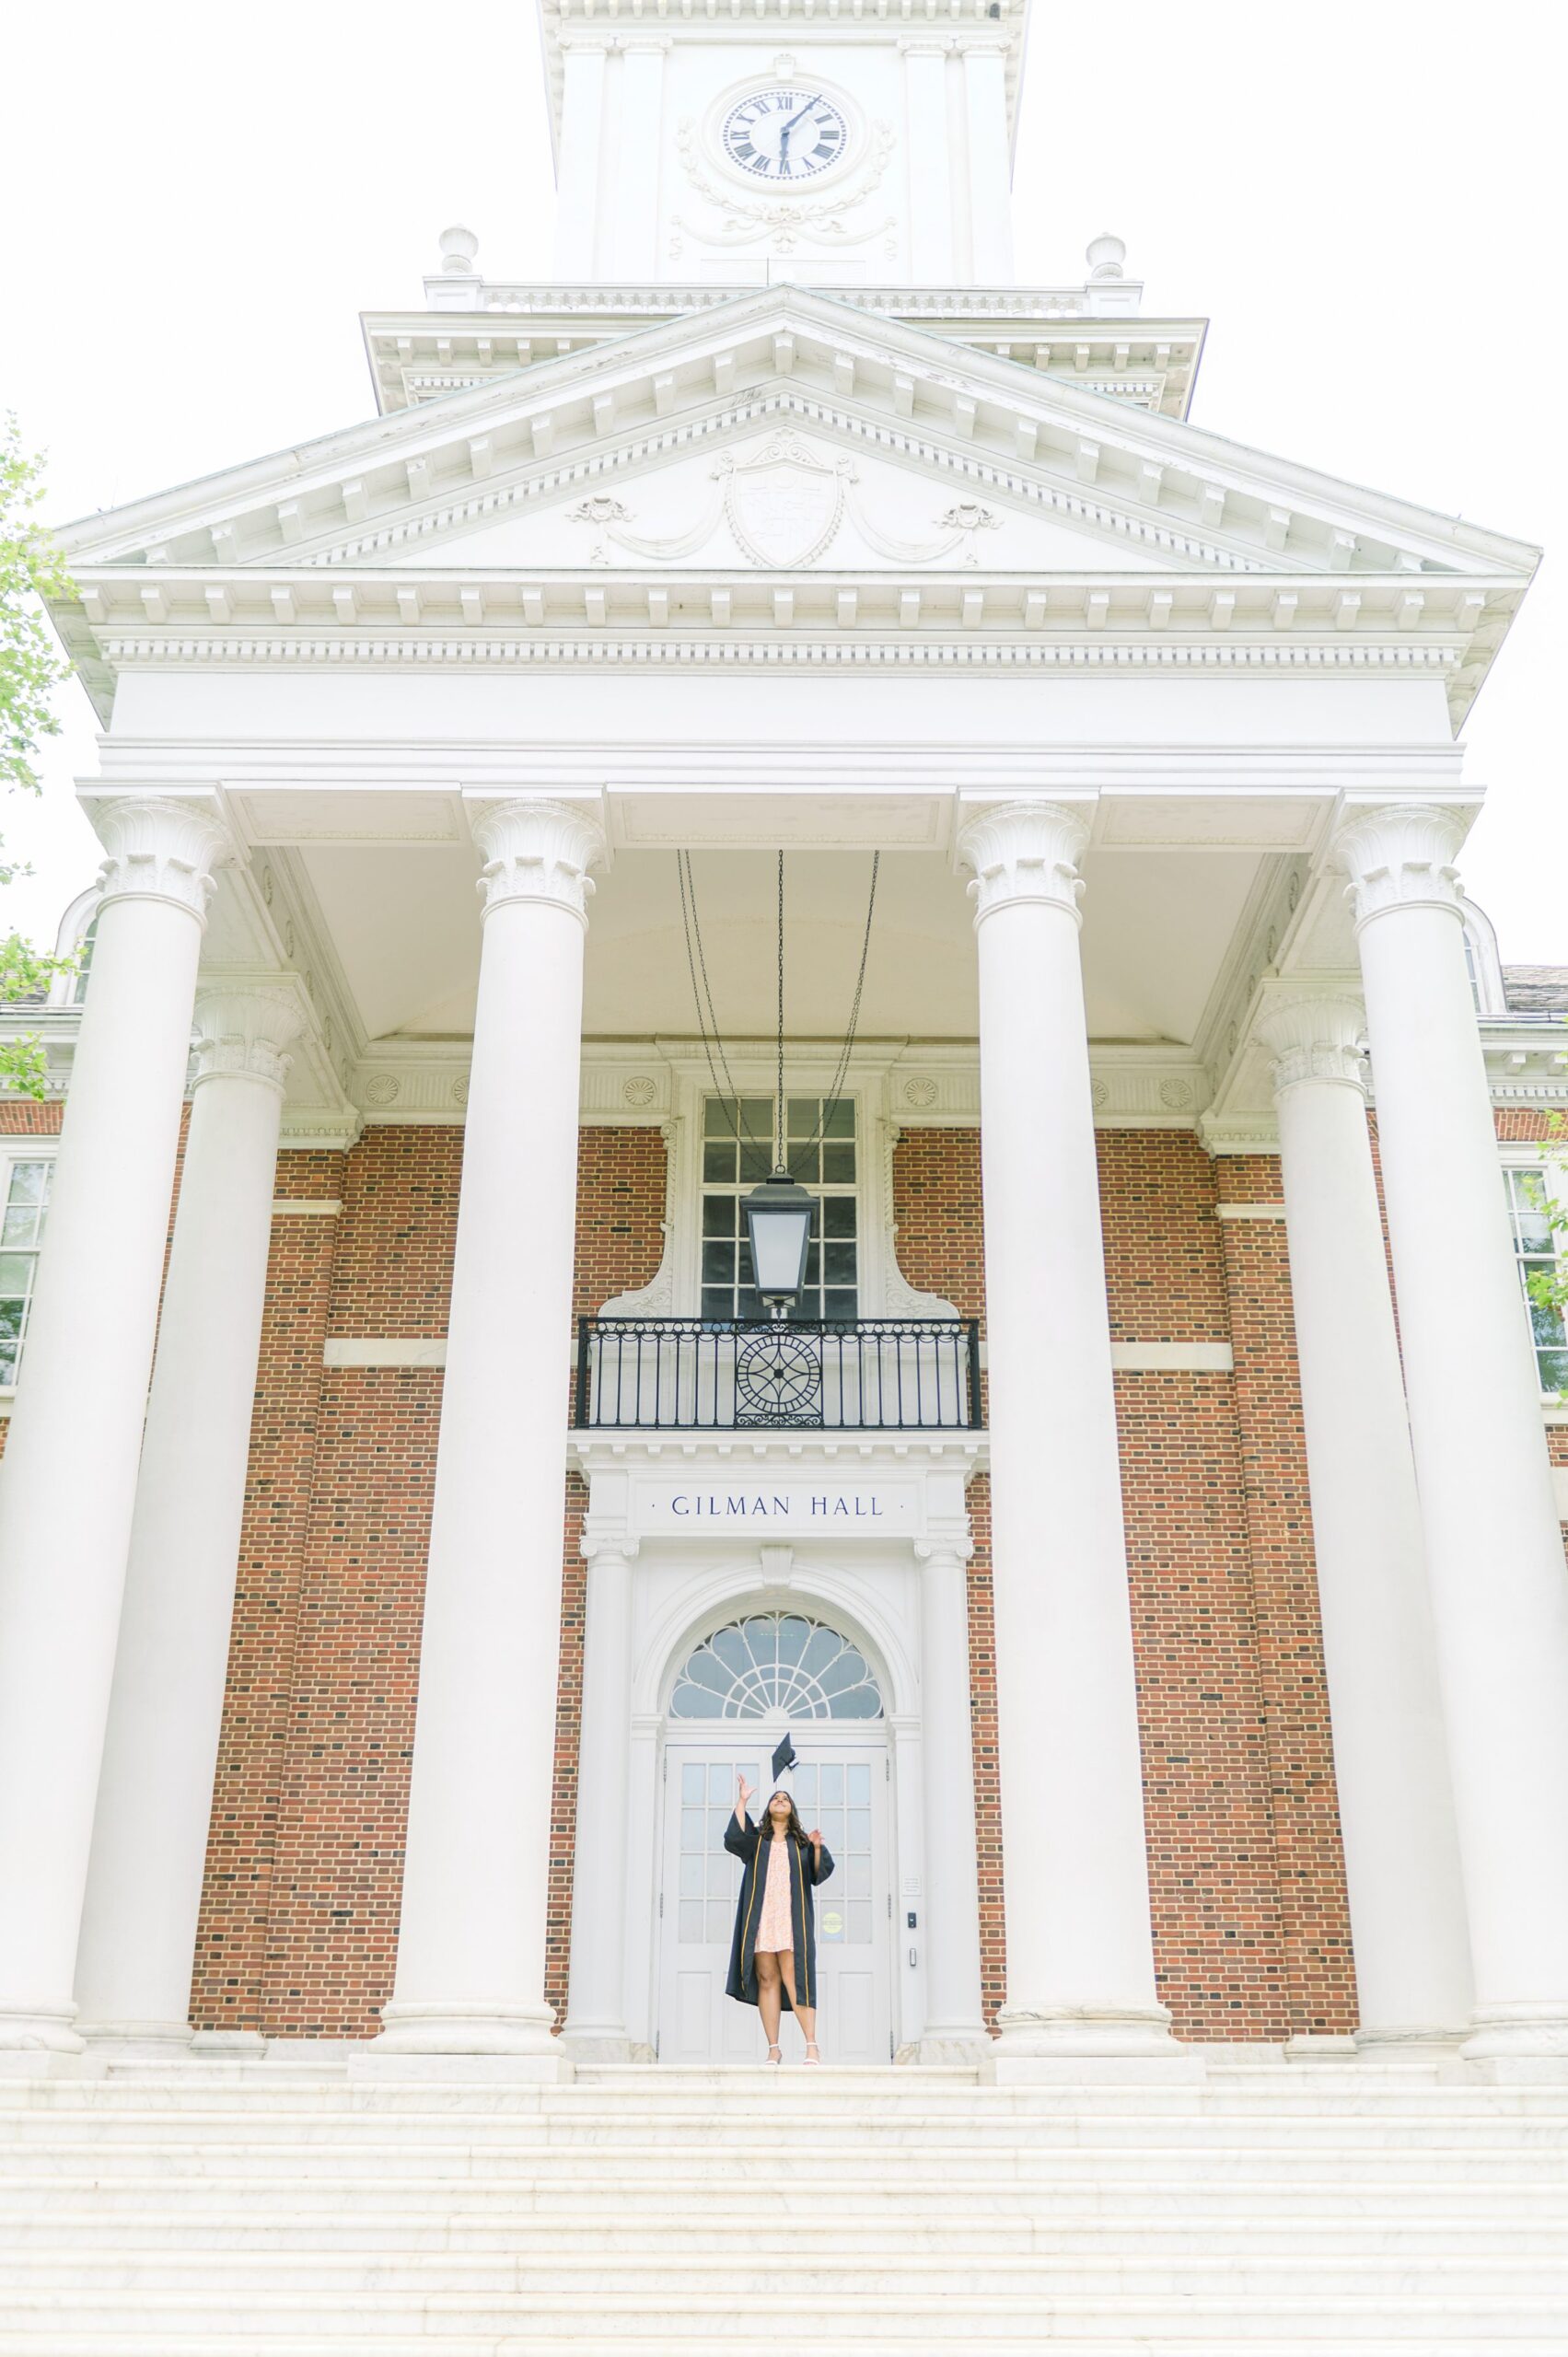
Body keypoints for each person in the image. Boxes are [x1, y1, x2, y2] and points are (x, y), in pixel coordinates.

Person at [724, 1736, 835, 2064]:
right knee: (767, 1980)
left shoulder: (802, 1843)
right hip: (761, 1920)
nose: (780, 1800)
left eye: (785, 1798)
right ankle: (774, 2048)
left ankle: (811, 2045)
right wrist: (742, 1802)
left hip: (790, 1919)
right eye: (776, 1798)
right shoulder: (756, 1840)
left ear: (792, 1810)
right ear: (769, 1808)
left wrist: (815, 1847)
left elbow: (820, 1874)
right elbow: (734, 1840)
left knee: (794, 1978)